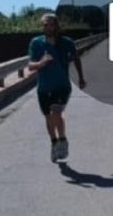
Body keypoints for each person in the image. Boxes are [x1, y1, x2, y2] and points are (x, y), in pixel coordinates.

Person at [28, 13, 86, 163]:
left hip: (62, 86)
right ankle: (54, 142)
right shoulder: (36, 43)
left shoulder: (66, 42)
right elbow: (30, 65)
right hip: (43, 87)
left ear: (56, 26)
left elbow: (76, 58)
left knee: (56, 111)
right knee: (48, 117)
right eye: (44, 25)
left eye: (50, 24)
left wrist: (81, 77)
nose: (46, 27)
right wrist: (40, 63)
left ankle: (63, 139)